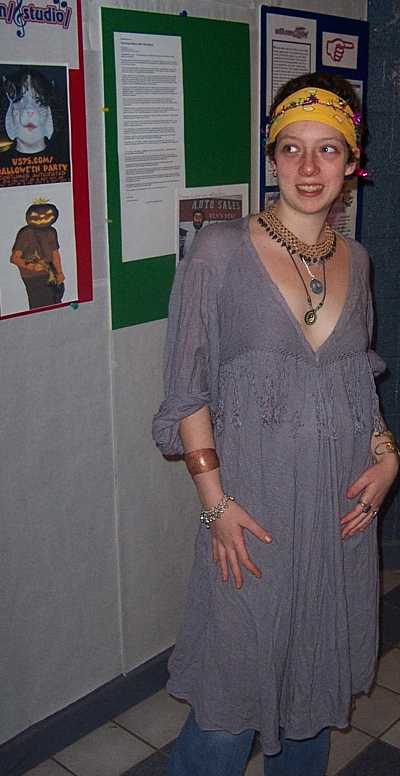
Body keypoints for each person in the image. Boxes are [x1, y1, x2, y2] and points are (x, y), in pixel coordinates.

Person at [152, 71, 399, 776]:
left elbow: (358, 382)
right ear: (272, 157)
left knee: (311, 698)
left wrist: (387, 453)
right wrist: (216, 508)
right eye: (292, 148)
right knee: (226, 713)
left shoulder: (358, 260)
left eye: (328, 149)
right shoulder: (220, 250)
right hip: (250, 521)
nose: (309, 167)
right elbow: (187, 393)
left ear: (352, 163)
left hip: (338, 520)